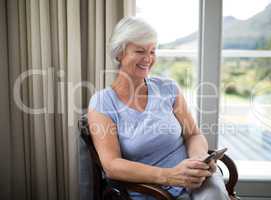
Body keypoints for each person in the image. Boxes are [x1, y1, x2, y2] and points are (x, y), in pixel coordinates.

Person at [88, 16, 230, 200]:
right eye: (140, 51)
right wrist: (171, 176)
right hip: (153, 191)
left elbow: (193, 134)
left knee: (214, 194)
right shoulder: (103, 102)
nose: (148, 59)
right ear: (119, 54)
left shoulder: (168, 88)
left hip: (195, 182)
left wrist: (199, 160)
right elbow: (112, 165)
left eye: (153, 51)